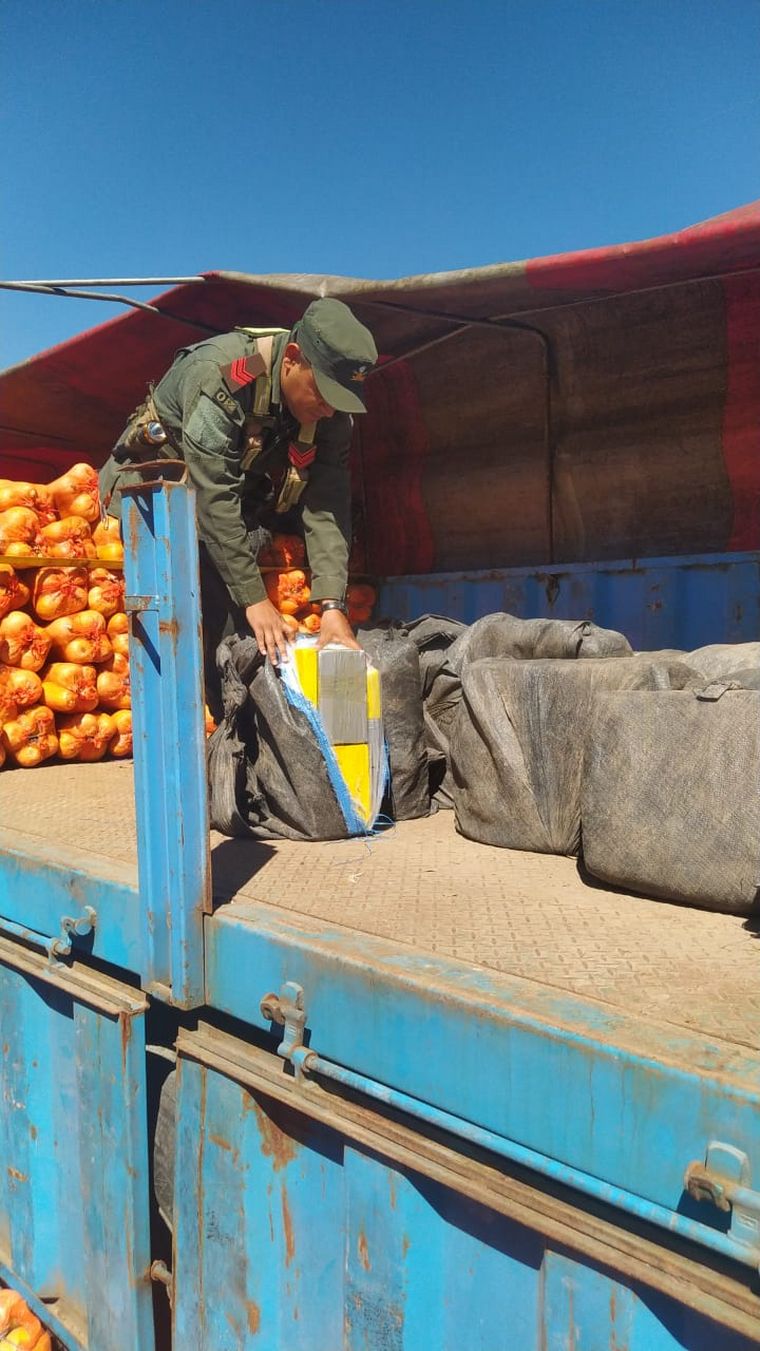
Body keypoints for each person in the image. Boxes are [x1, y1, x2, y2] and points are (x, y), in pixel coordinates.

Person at [99, 298, 378, 718]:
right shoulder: (222, 376)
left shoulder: (332, 415)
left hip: (224, 502)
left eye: (340, 400)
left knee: (242, 630)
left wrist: (332, 607)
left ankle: (234, 731)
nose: (329, 410)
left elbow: (328, 504)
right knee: (202, 618)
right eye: (323, 394)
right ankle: (209, 740)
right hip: (152, 497)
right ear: (293, 360)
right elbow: (213, 491)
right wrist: (252, 598)